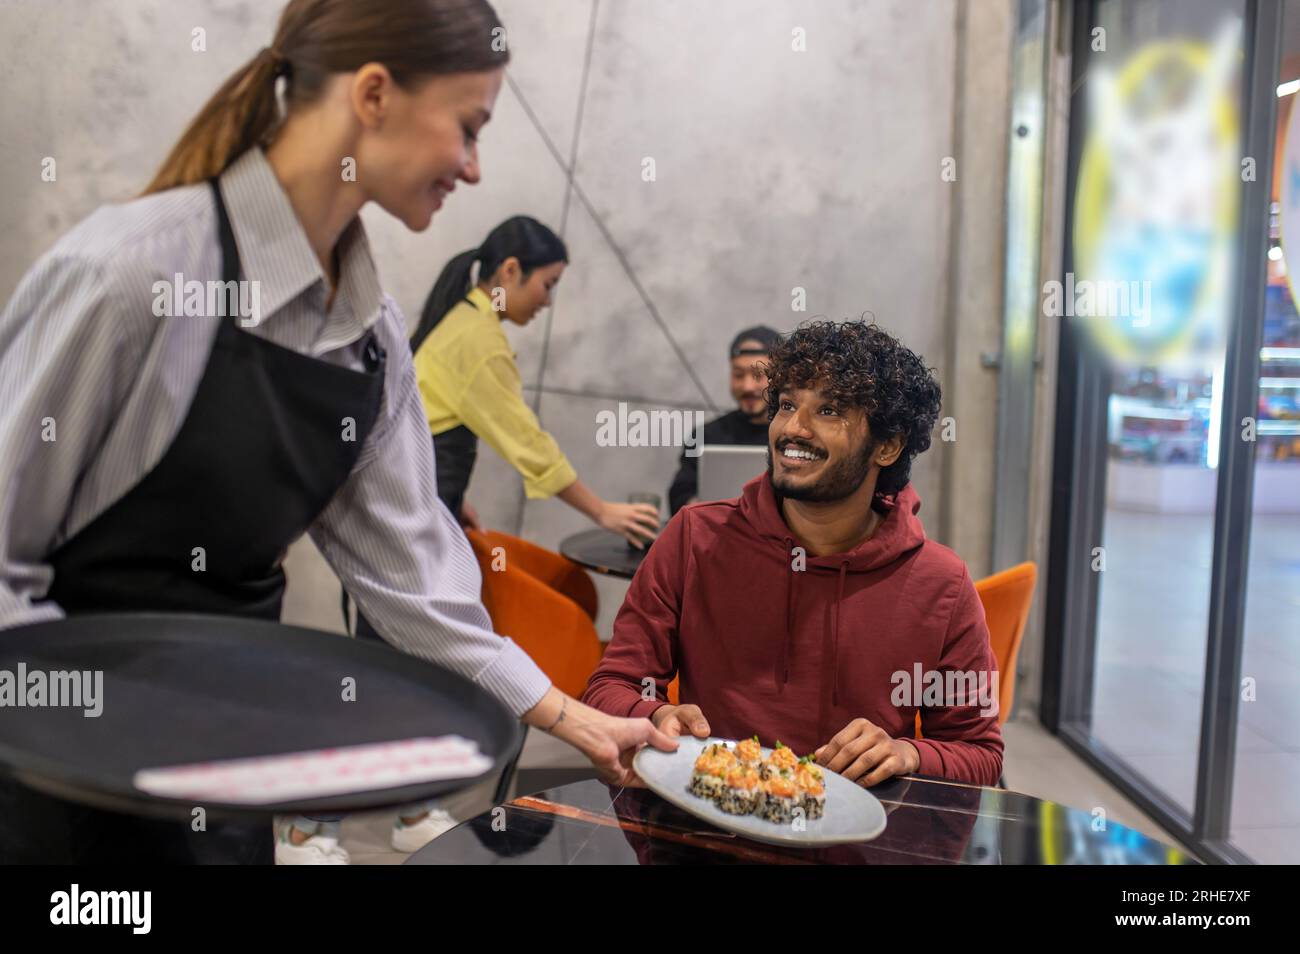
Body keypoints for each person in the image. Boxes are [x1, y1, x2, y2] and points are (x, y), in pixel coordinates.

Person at [0, 0, 673, 865]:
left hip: (228, 783)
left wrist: (581, 722)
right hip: (50, 788)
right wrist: (95, 727)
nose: (473, 168)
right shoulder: (131, 274)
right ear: (374, 94)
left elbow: (418, 587)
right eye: (469, 128)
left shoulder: (371, 341)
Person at [583, 320, 1003, 788]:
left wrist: (906, 753)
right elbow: (611, 686)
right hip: (710, 822)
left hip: (859, 844)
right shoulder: (694, 538)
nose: (793, 429)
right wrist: (655, 713)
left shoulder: (941, 582)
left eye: (828, 411)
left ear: (886, 446)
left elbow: (980, 755)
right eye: (786, 405)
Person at [406, 217, 660, 546]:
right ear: (510, 271)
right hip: (414, 520)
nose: (548, 301)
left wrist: (450, 500)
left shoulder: (463, 319)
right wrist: (601, 511)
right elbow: (528, 443)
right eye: (548, 284)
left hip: (415, 503)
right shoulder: (479, 341)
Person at [667, 326, 781, 515]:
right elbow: (679, 495)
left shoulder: (795, 434)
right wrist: (700, 508)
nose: (747, 386)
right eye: (738, 375)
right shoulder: (705, 435)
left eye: (758, 375)